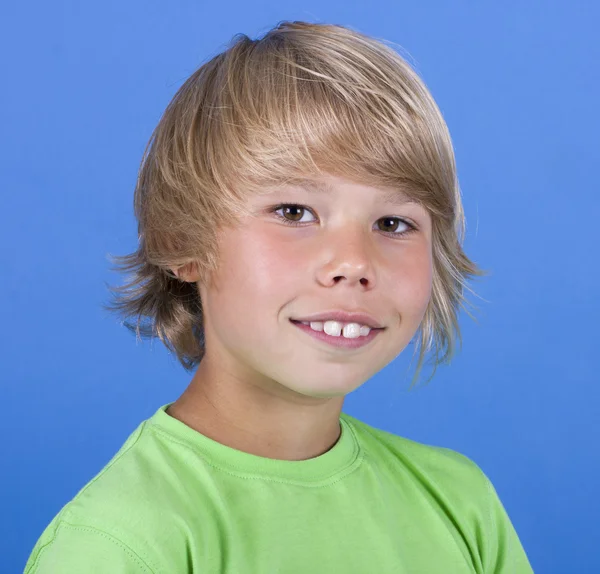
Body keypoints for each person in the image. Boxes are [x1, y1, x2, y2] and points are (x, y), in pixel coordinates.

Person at [24, 20, 533, 573]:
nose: (354, 263)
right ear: (181, 241)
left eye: (392, 221)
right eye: (294, 213)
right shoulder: (120, 543)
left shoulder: (461, 505)